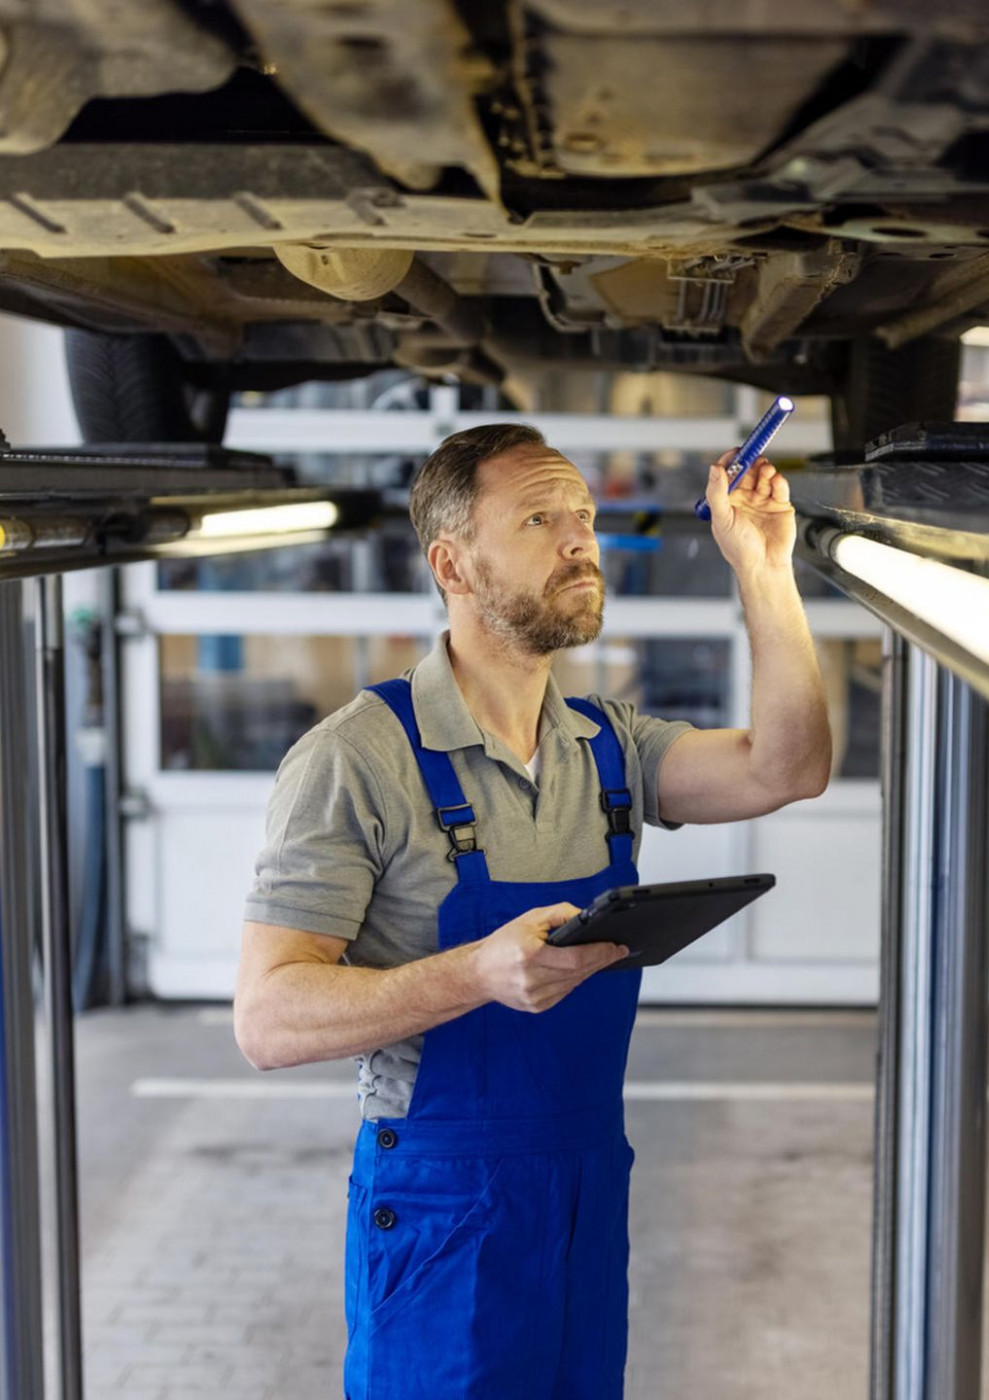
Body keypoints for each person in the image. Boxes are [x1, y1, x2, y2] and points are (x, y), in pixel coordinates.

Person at [233, 422, 832, 1400]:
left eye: (583, 516)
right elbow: (267, 1019)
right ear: (452, 566)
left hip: (584, 1187)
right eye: (539, 519)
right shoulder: (356, 758)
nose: (580, 539)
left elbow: (788, 766)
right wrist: (477, 973)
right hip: (442, 1206)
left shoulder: (609, 746)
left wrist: (764, 569)